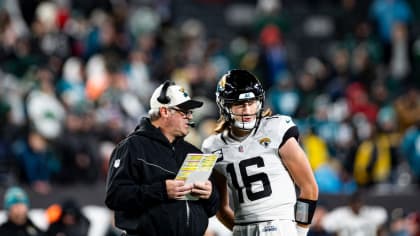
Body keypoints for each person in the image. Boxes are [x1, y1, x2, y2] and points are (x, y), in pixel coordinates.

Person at [202, 69, 319, 236]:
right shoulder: (212, 146)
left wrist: (300, 231)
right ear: (225, 106)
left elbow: (309, 188)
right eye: (240, 104)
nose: (248, 110)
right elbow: (221, 208)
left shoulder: (276, 129)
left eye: (252, 102)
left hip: (280, 227)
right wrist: (241, 229)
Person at [105, 80, 220, 236]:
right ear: (165, 111)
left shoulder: (193, 152)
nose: (190, 117)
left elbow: (211, 209)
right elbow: (115, 196)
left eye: (190, 112)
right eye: (184, 112)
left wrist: (210, 194)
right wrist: (161, 191)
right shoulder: (132, 146)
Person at [321, 190, 387, 236]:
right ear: (350, 204)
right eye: (354, 203)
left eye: (359, 202)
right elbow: (327, 225)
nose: (357, 205)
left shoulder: (371, 213)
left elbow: (380, 225)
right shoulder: (340, 214)